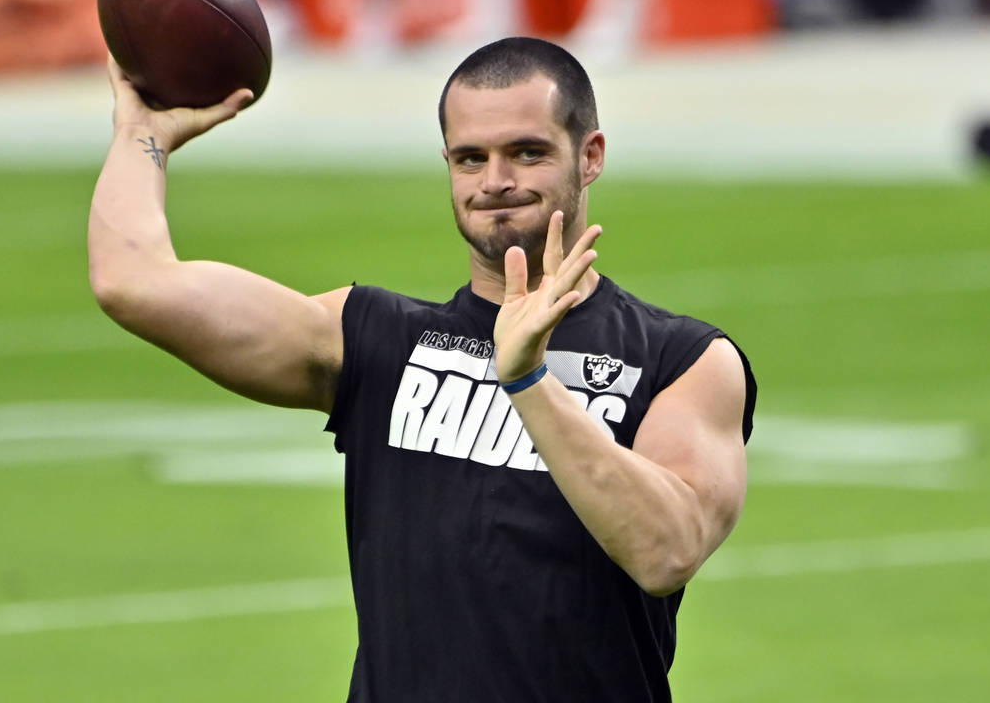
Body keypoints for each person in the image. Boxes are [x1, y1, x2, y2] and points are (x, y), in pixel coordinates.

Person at [88, 36, 756, 702]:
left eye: (527, 151)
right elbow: (136, 283)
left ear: (590, 157)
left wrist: (527, 380)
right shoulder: (378, 340)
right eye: (471, 158)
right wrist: (141, 134)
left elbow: (666, 552)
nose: (495, 180)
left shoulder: (683, 359)